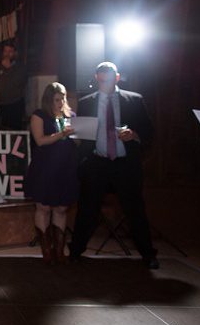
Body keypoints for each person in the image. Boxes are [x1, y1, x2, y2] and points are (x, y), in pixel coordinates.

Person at [68, 62, 159, 269]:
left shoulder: (134, 100)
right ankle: (75, 250)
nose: (103, 85)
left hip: (125, 163)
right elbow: (84, 135)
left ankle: (148, 254)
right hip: (97, 161)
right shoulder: (87, 102)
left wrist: (134, 134)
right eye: (100, 81)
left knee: (135, 209)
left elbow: (149, 131)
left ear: (117, 78)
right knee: (87, 208)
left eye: (107, 81)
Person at [24, 82, 78, 263]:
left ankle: (60, 250)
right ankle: (46, 249)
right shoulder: (39, 115)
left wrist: (80, 135)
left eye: (63, 98)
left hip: (65, 168)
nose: (61, 102)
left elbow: (76, 143)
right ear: (48, 100)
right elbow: (39, 141)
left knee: (61, 208)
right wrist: (61, 134)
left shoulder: (71, 116)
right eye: (57, 99)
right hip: (45, 168)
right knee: (44, 207)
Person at [0, 42, 27, 129]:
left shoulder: (21, 68)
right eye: (5, 51)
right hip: (1, 105)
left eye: (10, 51)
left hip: (15, 104)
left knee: (15, 131)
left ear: (15, 53)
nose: (7, 54)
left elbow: (18, 83)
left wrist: (8, 68)